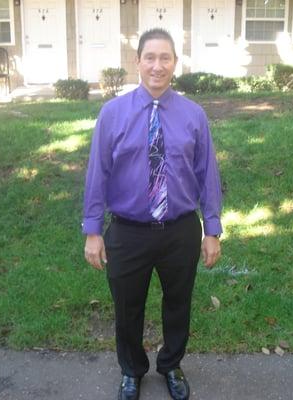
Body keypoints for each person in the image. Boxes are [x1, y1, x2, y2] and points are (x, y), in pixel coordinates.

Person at [82, 28, 223, 400]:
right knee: (127, 307)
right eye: (150, 57)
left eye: (165, 58)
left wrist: (212, 229)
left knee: (178, 303)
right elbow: (98, 173)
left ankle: (171, 365)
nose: (157, 66)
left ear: (175, 63)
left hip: (179, 230)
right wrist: (93, 230)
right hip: (128, 232)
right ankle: (132, 371)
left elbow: (207, 173)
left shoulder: (193, 115)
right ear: (137, 62)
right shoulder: (113, 114)